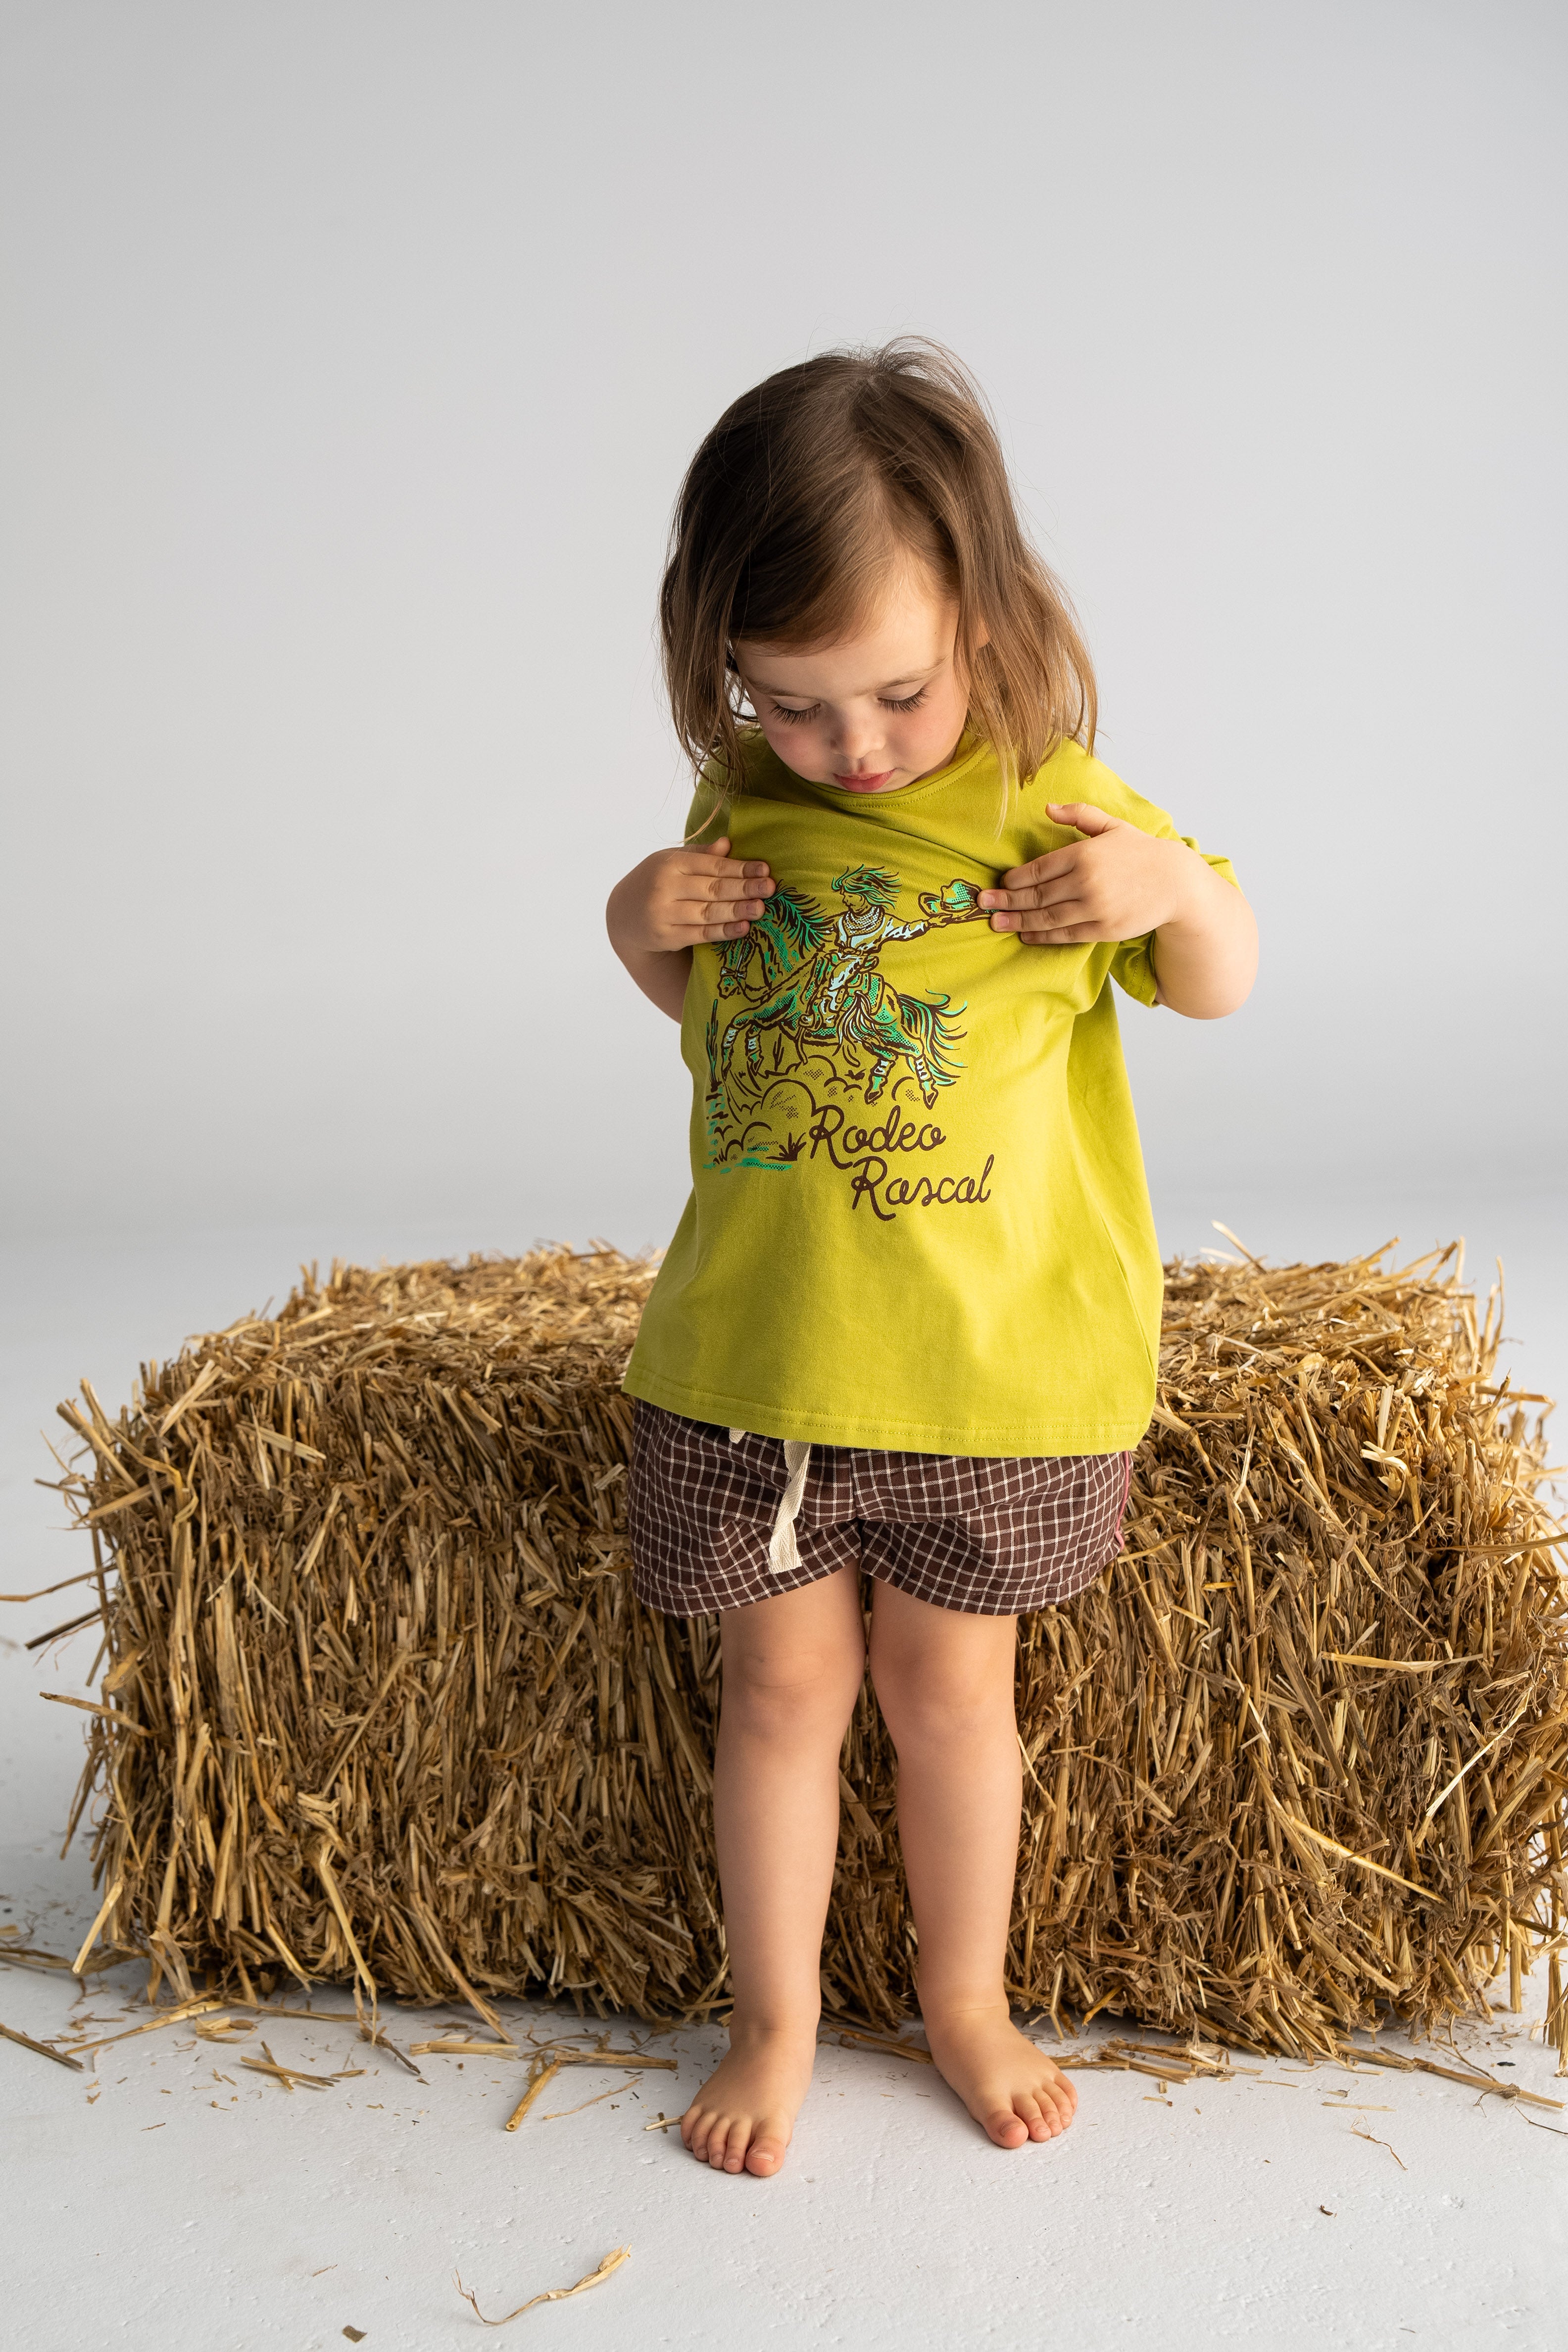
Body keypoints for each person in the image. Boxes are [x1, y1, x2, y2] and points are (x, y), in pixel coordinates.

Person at [604, 341, 1257, 2179]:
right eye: (790, 703)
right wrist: (638, 924)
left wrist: (1171, 888)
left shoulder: (1046, 792)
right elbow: (719, 1029)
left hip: (978, 1379)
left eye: (889, 691)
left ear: (980, 606)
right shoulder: (751, 798)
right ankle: (778, 2016)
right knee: (782, 1695)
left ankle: (961, 1992)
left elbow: (1224, 975)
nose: (853, 748)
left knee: (954, 1696)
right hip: (765, 1365)